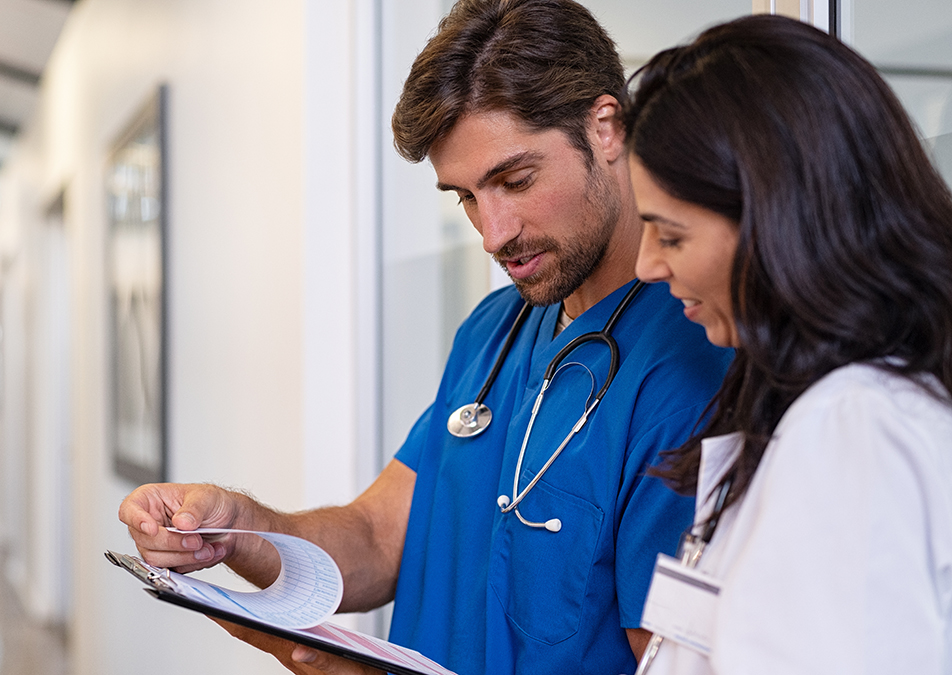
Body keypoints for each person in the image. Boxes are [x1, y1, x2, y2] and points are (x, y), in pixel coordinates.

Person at [118, 1, 732, 673]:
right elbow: (380, 536)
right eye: (464, 196)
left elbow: (675, 662)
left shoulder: (694, 357)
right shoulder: (494, 332)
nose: (493, 233)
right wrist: (237, 528)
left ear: (606, 127)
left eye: (514, 180)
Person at [623, 14, 952, 675]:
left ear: (774, 222)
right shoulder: (827, 412)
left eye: (671, 234)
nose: (646, 265)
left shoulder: (854, 425)